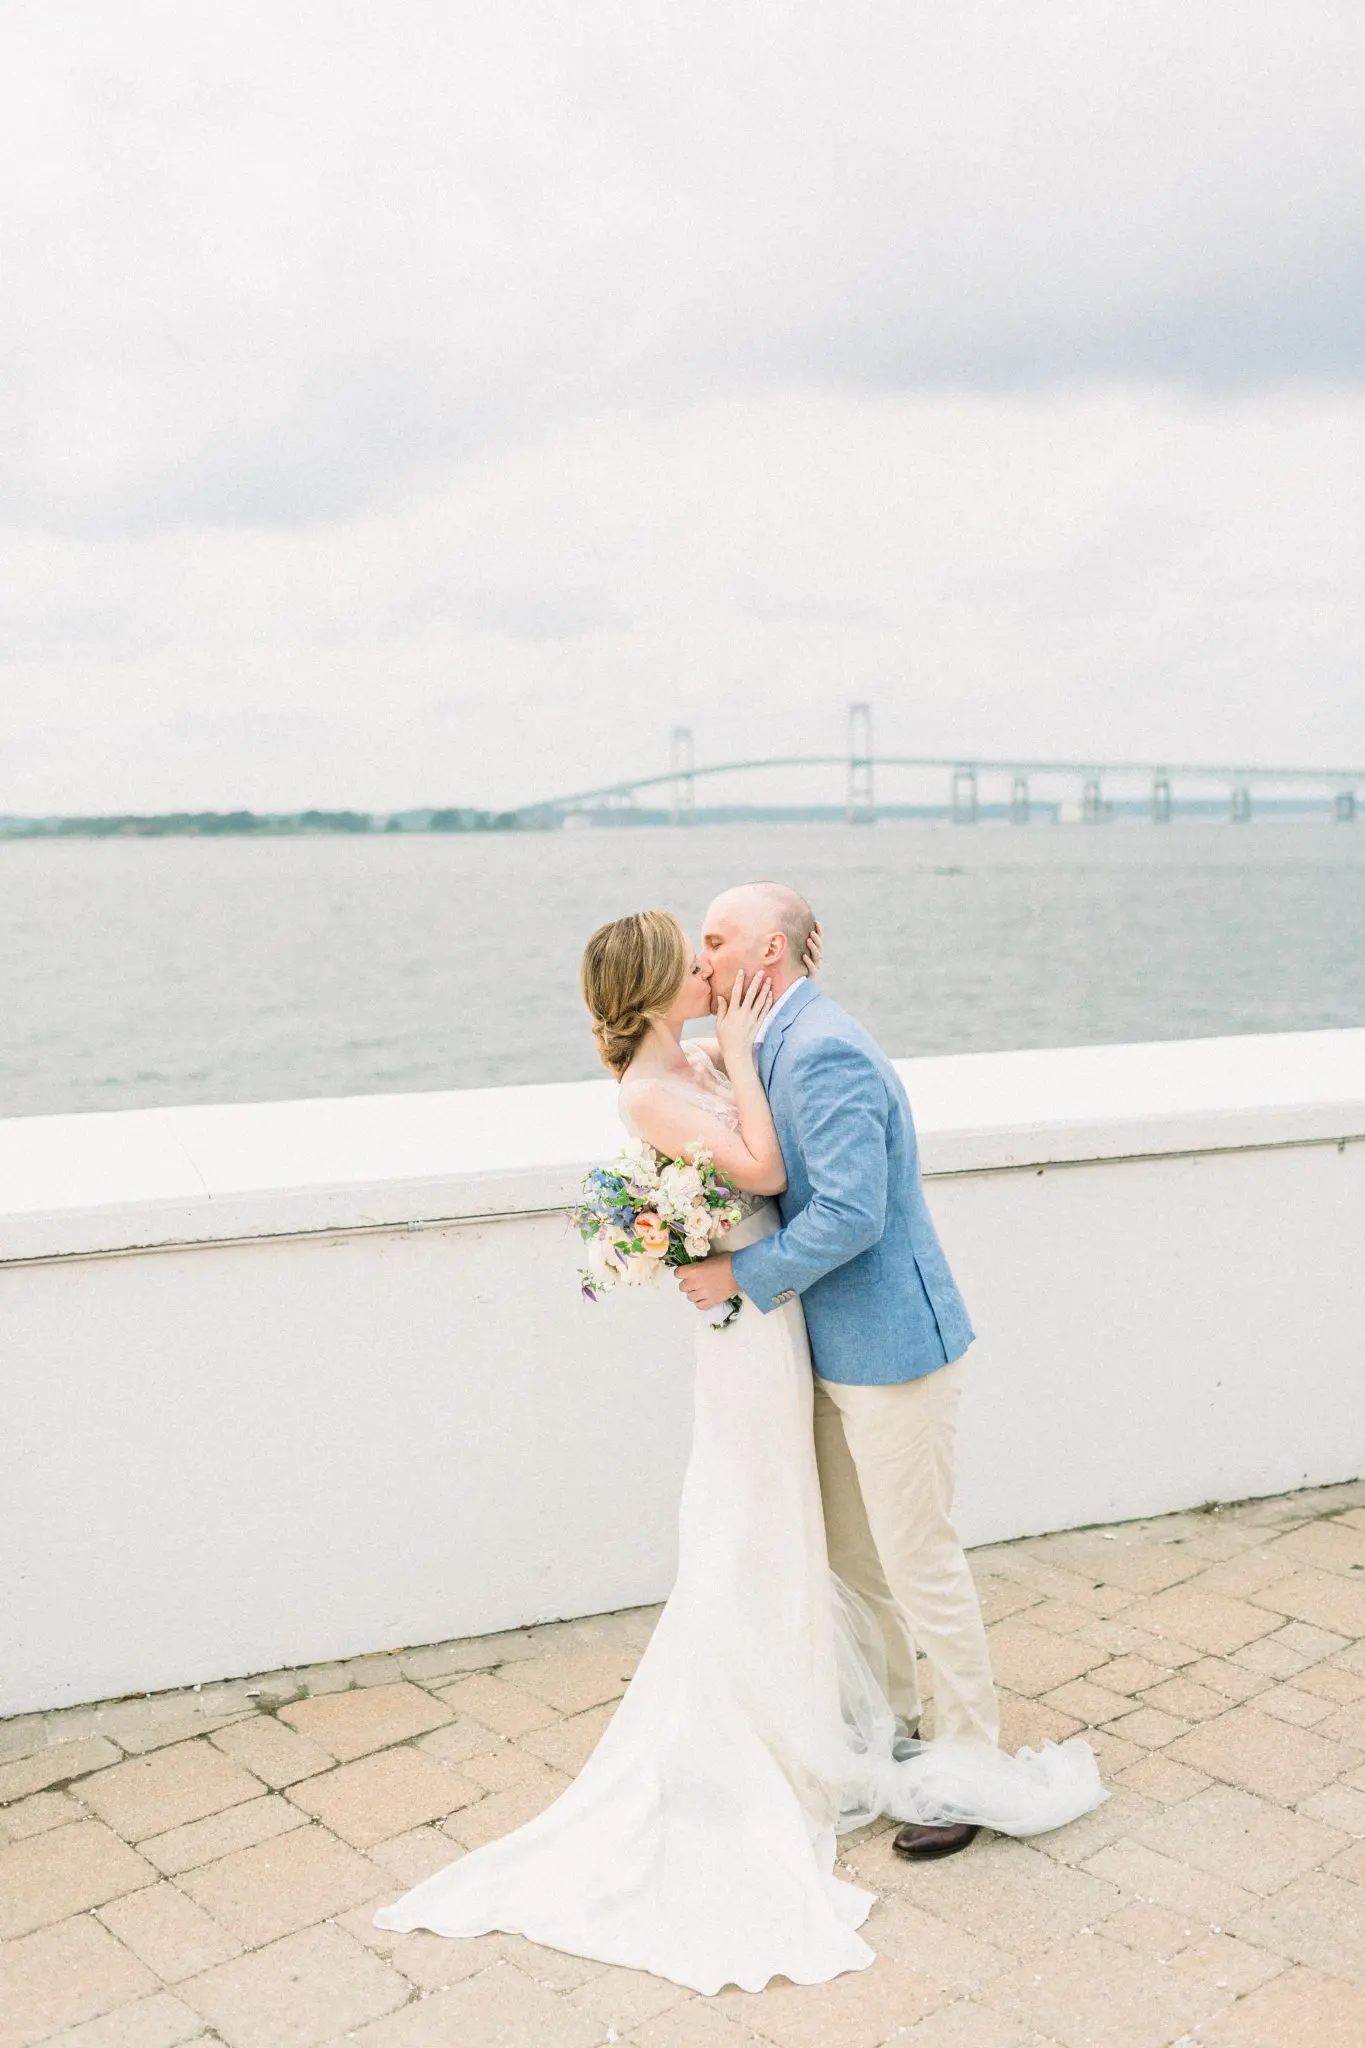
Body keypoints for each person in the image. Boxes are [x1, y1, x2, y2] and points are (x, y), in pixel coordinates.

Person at [374, 901, 1104, 1995]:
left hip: (881, 1343)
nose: (705, 958)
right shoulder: (732, 1050)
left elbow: (847, 1209)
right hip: (787, 1352)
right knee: (831, 1551)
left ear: (771, 952)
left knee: (915, 1556)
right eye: (692, 948)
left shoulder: (818, 1050)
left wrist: (740, 1271)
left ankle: (966, 1765)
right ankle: (889, 1724)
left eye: (719, 939)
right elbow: (728, 1138)